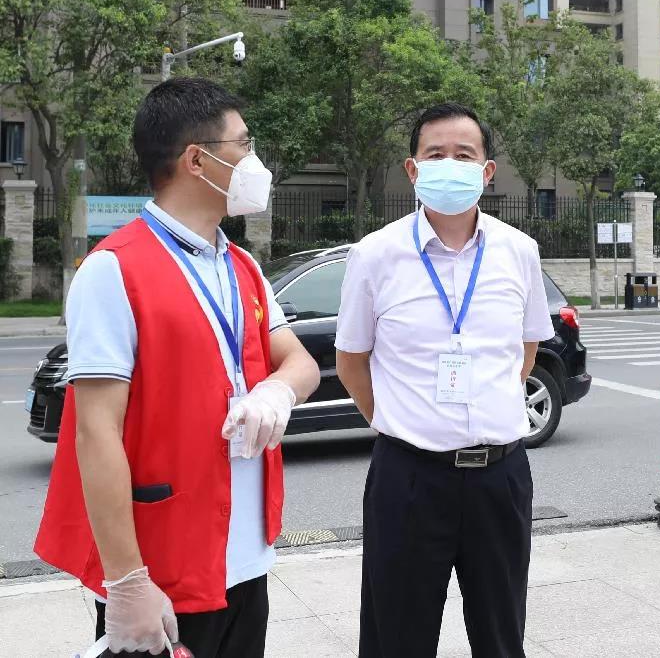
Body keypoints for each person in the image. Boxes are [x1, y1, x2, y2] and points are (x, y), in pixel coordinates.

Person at [34, 77, 320, 657]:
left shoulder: (241, 265)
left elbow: (300, 361)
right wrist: (127, 582)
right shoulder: (114, 269)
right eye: (244, 144)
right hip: (161, 572)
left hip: (244, 561)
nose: (255, 161)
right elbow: (95, 432)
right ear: (197, 160)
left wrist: (276, 392)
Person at [335, 102, 554, 658]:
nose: (449, 165)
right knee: (396, 639)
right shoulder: (375, 255)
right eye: (435, 154)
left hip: (500, 479)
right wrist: (403, 423)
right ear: (413, 170)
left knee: (501, 637)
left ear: (487, 171)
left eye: (464, 154)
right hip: (409, 478)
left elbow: (525, 352)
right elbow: (352, 363)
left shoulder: (519, 252)